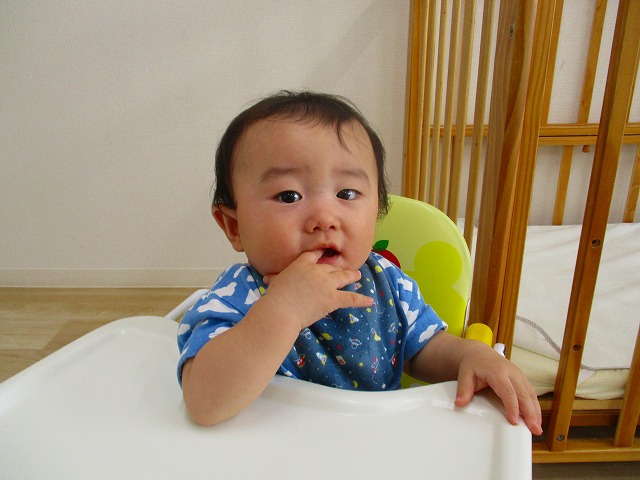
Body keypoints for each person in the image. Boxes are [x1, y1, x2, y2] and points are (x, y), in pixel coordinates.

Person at [177, 90, 543, 435]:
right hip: (275, 454)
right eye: (289, 196)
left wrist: (470, 356)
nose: (325, 218)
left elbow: (425, 348)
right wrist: (284, 309)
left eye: (347, 193)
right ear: (234, 226)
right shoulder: (236, 296)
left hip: (374, 446)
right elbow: (205, 403)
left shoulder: (386, 281)